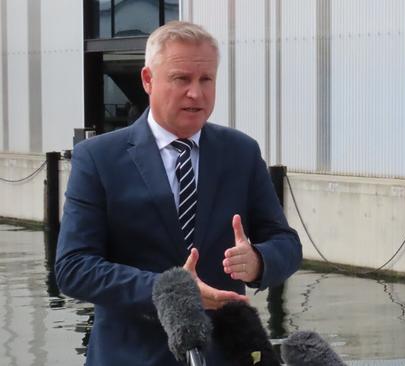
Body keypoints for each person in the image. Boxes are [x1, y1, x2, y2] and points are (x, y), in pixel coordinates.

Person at [55, 21, 302, 366]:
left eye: (206, 80)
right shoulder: (98, 158)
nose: (196, 94)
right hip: (131, 356)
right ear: (148, 80)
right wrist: (171, 291)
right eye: (181, 79)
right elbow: (73, 268)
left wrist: (259, 260)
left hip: (224, 355)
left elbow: (286, 244)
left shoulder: (241, 152)